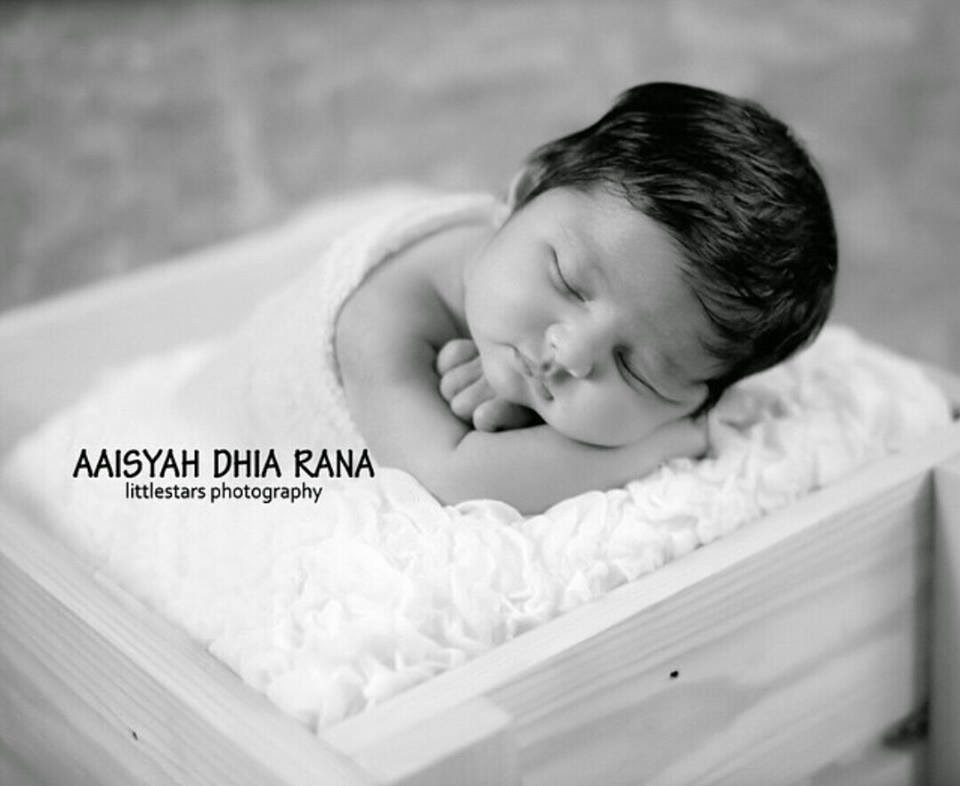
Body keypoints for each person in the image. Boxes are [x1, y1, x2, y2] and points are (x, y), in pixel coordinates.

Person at [336, 82, 837, 514]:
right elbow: (449, 477)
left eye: (634, 368)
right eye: (569, 283)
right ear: (523, 194)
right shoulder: (385, 313)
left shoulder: (531, 283)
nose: (572, 355)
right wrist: (667, 444)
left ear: (693, 400)